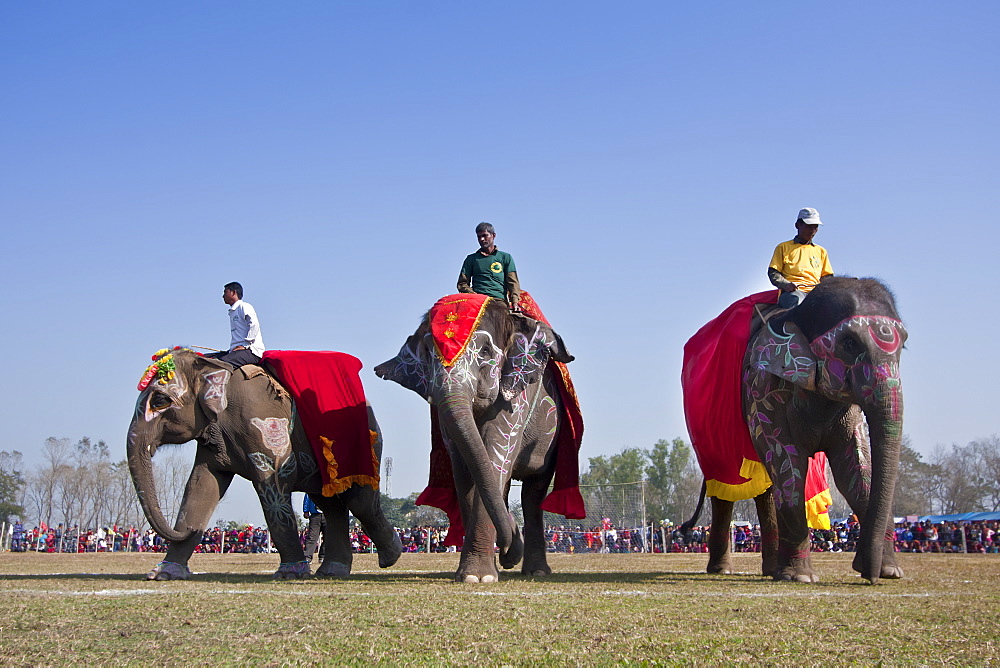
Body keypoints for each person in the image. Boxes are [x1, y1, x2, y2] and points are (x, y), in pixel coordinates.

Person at [768, 207, 834, 308]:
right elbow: (773, 273)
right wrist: (786, 284)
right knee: (798, 303)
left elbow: (827, 278)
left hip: (815, 294)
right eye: (809, 226)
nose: (812, 231)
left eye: (815, 227)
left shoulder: (821, 251)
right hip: (793, 293)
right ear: (797, 225)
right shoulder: (783, 247)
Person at [457, 222, 521, 311]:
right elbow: (462, 283)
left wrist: (514, 302)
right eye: (479, 237)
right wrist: (474, 295)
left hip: (499, 302)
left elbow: (513, 283)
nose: (482, 239)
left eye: (485, 235)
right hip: (477, 303)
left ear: (493, 235)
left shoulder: (505, 257)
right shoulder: (471, 259)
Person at [207, 281, 265, 368]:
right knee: (205, 358)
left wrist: (245, 345)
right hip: (237, 351)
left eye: (225, 292)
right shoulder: (232, 311)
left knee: (218, 364)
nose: (223, 296)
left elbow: (254, 324)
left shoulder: (244, 306)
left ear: (233, 292)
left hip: (251, 351)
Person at [302, 494, 326, 562]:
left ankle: (323, 556)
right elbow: (307, 496)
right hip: (315, 515)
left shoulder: (330, 485)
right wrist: (305, 510)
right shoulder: (312, 485)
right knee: (312, 537)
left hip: (328, 514)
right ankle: (307, 557)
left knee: (328, 537)